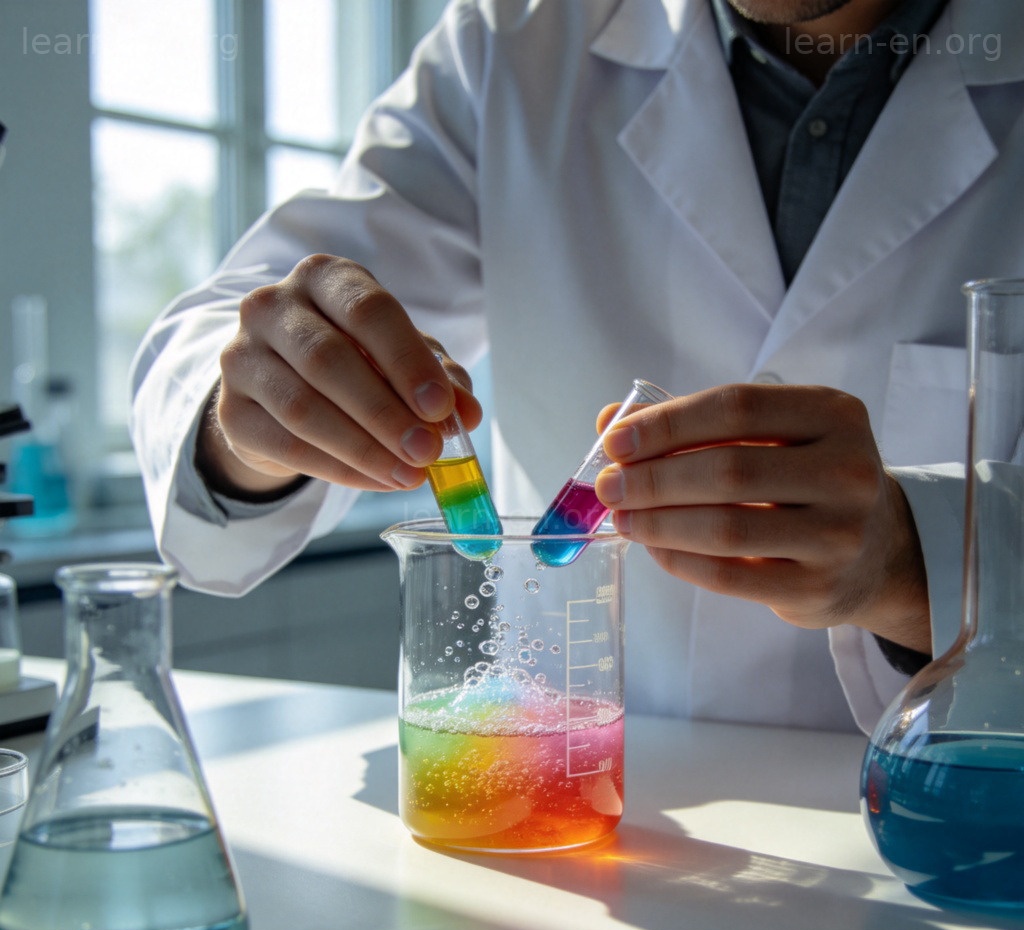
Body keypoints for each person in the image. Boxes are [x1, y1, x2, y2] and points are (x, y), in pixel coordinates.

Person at [130, 0, 1024, 733]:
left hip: (946, 829)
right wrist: (252, 411)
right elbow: (243, 315)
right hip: (561, 817)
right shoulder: (518, 40)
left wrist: (918, 560)